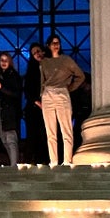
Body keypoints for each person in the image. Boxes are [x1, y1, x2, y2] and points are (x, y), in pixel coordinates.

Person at [40, 34, 85, 166]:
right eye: (53, 43)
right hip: (47, 94)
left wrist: (69, 88)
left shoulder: (66, 60)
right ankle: (53, 161)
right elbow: (41, 81)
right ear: (48, 45)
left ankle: (67, 160)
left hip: (61, 93)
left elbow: (80, 75)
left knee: (66, 129)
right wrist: (42, 94)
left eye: (58, 42)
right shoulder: (44, 62)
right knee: (50, 131)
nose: (56, 45)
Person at [0, 51, 23, 166]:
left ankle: (14, 165)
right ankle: (13, 163)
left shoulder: (13, 75)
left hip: (10, 112)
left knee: (10, 139)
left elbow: (16, 93)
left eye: (6, 60)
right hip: (0, 112)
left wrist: (1, 87)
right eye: (2, 60)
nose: (4, 62)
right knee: (4, 139)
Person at [23, 43, 49, 165]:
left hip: (48, 106)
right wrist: (38, 103)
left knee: (46, 135)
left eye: (38, 51)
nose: (37, 54)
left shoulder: (49, 66)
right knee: (34, 136)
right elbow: (28, 91)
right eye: (34, 53)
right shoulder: (31, 71)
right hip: (34, 109)